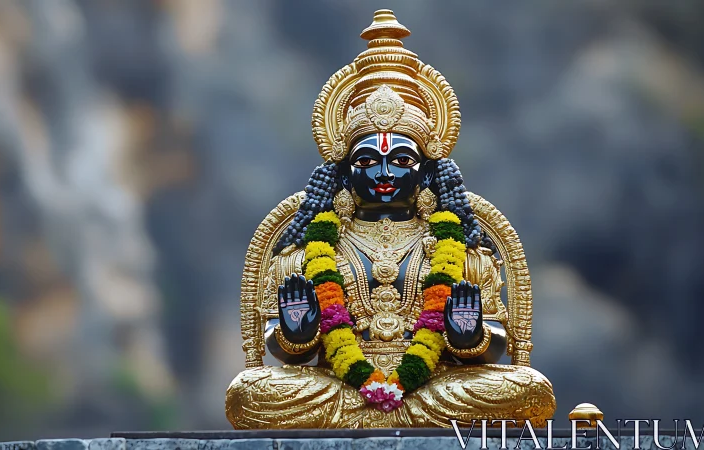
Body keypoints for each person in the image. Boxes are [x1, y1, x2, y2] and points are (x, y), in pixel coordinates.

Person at [226, 10, 555, 428]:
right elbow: (281, 348)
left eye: (401, 160)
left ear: (427, 171)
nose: (384, 173)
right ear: (344, 171)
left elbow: (496, 346)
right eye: (367, 161)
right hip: (339, 386)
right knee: (248, 394)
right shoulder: (307, 250)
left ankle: (379, 412)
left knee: (528, 391)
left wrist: (471, 336)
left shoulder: (463, 249)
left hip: (434, 384)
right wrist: (297, 331)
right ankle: (385, 410)